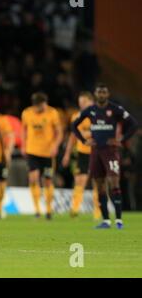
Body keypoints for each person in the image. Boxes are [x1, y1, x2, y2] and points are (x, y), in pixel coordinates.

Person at [72, 84, 138, 229]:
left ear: (107, 94)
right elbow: (74, 125)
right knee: (100, 185)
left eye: (104, 92)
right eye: (99, 92)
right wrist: (83, 141)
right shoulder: (90, 110)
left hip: (111, 151)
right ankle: (106, 220)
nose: (101, 94)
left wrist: (122, 140)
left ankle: (119, 220)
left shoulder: (116, 109)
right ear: (95, 94)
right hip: (95, 151)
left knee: (114, 182)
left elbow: (134, 124)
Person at [21, 92, 63, 220]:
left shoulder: (52, 113)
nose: (45, 107)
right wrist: (23, 145)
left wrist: (55, 146)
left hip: (47, 152)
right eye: (42, 106)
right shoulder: (27, 113)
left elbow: (59, 132)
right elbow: (24, 130)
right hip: (32, 151)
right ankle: (37, 210)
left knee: (47, 180)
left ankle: (48, 210)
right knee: (33, 179)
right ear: (36, 105)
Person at [62, 92, 101, 220]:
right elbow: (73, 137)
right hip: (82, 153)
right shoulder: (77, 116)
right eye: (80, 103)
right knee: (80, 181)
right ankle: (75, 210)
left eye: (84, 103)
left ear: (91, 102)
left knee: (97, 182)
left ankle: (98, 211)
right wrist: (67, 154)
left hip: (97, 152)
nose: (81, 106)